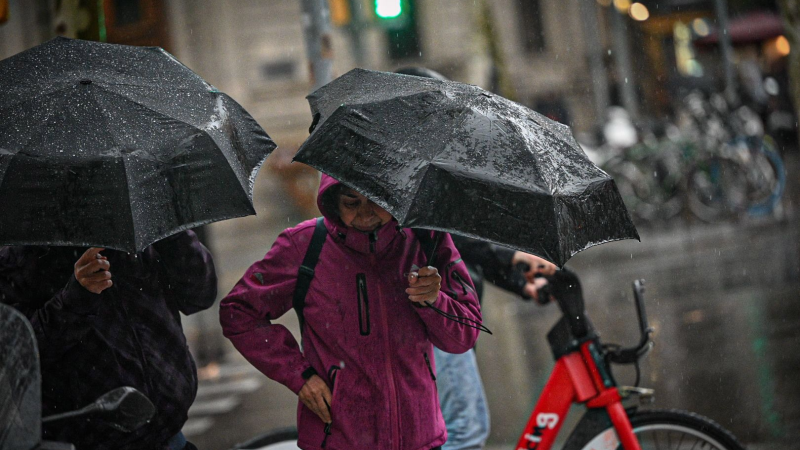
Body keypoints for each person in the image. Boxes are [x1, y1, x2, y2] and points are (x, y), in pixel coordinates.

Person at [219, 175, 481, 450]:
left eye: (376, 201)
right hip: (338, 439)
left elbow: (464, 336)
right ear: (334, 202)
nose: (365, 214)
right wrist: (300, 376)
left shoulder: (426, 238)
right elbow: (239, 312)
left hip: (420, 438)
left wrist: (434, 300)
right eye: (351, 202)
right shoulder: (304, 245)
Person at [394, 66, 558, 450]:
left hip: (441, 316)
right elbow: (449, 237)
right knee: (463, 433)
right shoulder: (406, 173)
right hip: (428, 318)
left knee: (454, 431)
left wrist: (520, 281)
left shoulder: (418, 168)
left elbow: (457, 252)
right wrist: (512, 257)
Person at [0, 230, 216, 450]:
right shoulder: (18, 257)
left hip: (173, 438)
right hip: (93, 440)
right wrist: (76, 298)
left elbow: (201, 295)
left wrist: (172, 236)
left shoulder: (139, 228)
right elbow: (20, 356)